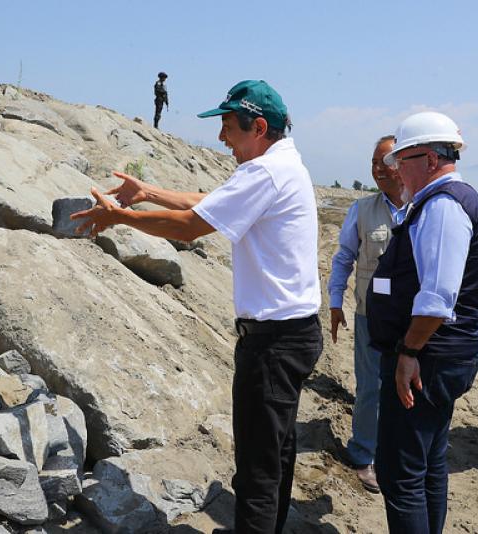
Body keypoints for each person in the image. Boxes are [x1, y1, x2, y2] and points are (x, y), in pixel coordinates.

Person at [72, 79, 322, 534]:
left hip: (273, 346)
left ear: (258, 128)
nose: (222, 137)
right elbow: (209, 204)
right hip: (293, 335)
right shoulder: (281, 165)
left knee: (257, 472)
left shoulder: (265, 172)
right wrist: (148, 193)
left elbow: (189, 226)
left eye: (228, 126)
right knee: (277, 454)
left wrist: (119, 217)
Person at [366, 111, 478, 534]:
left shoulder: (443, 207)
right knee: (428, 463)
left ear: (431, 159)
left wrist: (409, 351)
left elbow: (437, 298)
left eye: (401, 161)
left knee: (400, 474)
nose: (396, 171)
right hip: (438, 354)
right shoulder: (450, 202)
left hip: (426, 359)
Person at [327, 135, 405, 493]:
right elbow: (344, 257)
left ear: (403, 163)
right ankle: (364, 453)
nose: (377, 169)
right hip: (370, 315)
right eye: (373, 162)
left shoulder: (425, 207)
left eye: (384, 162)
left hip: (413, 319)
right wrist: (335, 301)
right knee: (371, 386)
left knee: (407, 386)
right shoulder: (362, 209)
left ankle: (398, 452)